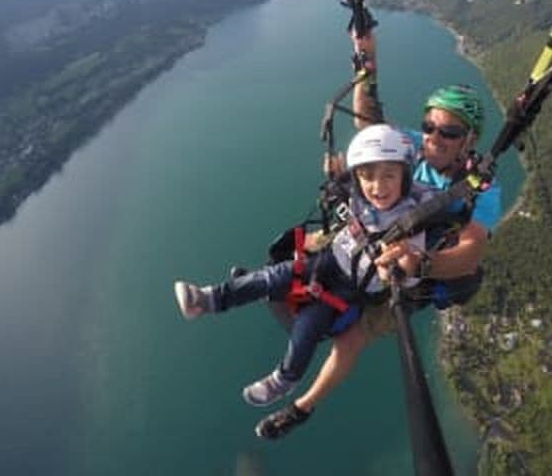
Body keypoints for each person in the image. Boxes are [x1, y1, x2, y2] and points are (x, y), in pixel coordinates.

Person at [257, 83, 501, 438]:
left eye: (449, 132)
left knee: (352, 338)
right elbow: (368, 124)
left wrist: (420, 263)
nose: (433, 138)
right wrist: (364, 56)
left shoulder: (483, 189)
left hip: (408, 266)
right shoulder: (414, 144)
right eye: (430, 126)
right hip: (369, 232)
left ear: (470, 138)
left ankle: (300, 407)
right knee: (300, 252)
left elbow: (470, 253)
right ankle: (253, 287)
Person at [173, 124, 433, 411]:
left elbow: (409, 271)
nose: (378, 186)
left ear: (405, 178)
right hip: (330, 260)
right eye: (367, 176)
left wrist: (401, 267)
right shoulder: (359, 195)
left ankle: (285, 378)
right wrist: (336, 176)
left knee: (309, 324)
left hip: (350, 289)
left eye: (389, 176)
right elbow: (342, 188)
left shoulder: (409, 221)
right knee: (277, 275)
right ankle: (208, 299)